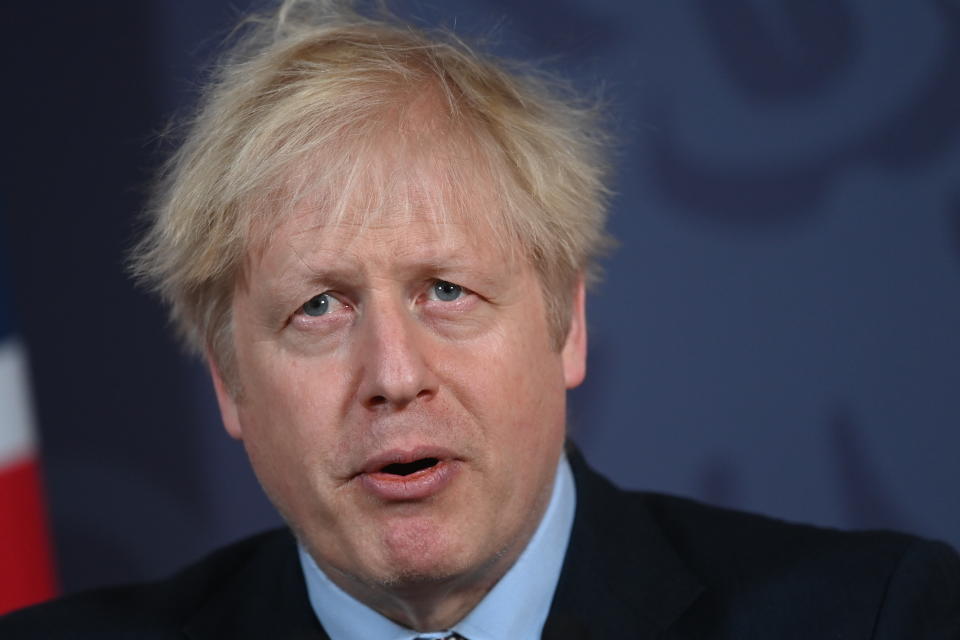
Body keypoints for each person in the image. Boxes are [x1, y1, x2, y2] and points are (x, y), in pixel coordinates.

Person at [3, 1, 959, 638]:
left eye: (446, 291)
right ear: (228, 380)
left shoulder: (878, 617)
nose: (393, 373)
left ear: (567, 323)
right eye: (319, 306)